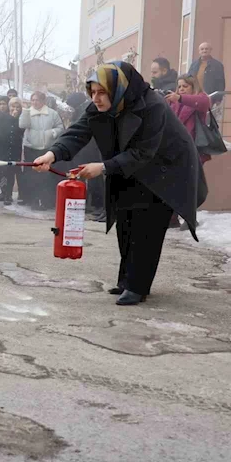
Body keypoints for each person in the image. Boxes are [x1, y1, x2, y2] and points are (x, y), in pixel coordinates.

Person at [33, 61, 208, 306]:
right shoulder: (99, 106)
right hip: (130, 166)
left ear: (118, 88)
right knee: (125, 220)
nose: (96, 98)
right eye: (92, 92)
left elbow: (144, 152)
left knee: (147, 225)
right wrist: (52, 154)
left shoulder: (153, 106)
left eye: (102, 92)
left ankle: (138, 287)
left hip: (166, 170)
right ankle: (126, 281)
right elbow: (78, 132)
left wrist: (102, 167)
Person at [165, 74, 213, 229]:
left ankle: (190, 217)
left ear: (193, 86)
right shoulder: (175, 103)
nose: (181, 89)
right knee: (174, 184)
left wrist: (179, 98)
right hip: (176, 150)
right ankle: (172, 218)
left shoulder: (199, 99)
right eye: (179, 86)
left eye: (185, 86)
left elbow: (203, 102)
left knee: (190, 185)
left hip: (195, 151)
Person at [18, 91, 64, 210]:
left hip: (47, 149)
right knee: (31, 175)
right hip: (30, 148)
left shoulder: (52, 113)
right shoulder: (28, 112)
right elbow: (22, 125)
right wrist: (25, 111)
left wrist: (52, 133)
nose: (34, 102)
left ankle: (45, 201)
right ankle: (32, 200)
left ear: (43, 101)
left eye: (37, 100)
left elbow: (60, 127)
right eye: (32, 100)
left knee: (46, 176)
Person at [65, 92, 105, 222]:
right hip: (86, 148)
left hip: (92, 148)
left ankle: (101, 207)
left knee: (97, 180)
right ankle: (96, 206)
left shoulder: (86, 109)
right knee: (91, 178)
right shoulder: (81, 109)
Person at [0, 97, 24, 205]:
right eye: (13, 106)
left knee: (10, 174)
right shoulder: (3, 117)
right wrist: (12, 118)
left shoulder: (21, 119)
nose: (15, 109)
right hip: (2, 149)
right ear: (9, 107)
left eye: (18, 107)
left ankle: (8, 196)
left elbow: (21, 132)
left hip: (14, 150)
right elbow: (1, 133)